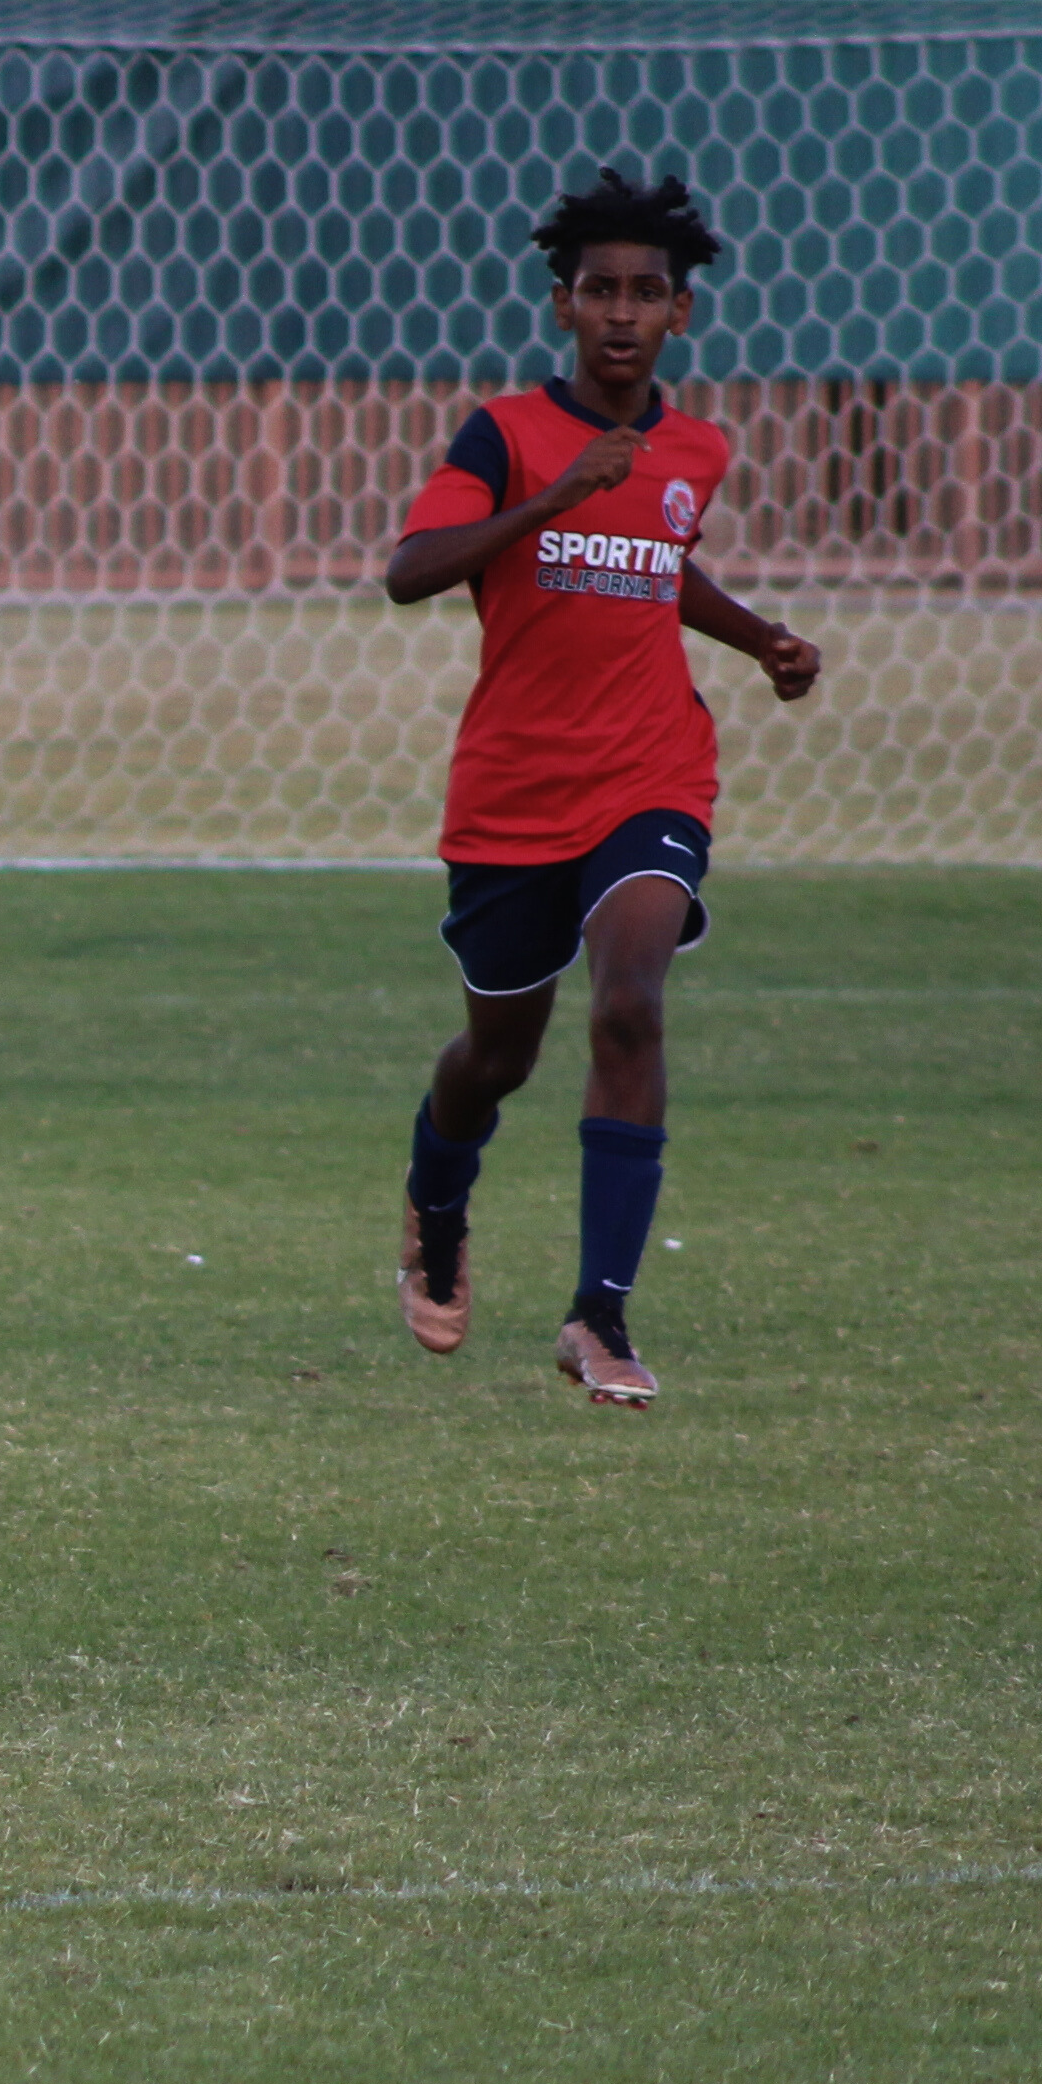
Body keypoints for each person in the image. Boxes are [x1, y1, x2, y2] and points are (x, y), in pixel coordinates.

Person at [375, 173, 819, 1409]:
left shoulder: (695, 448)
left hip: (650, 770)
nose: (621, 313)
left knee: (630, 1001)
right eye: (598, 292)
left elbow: (655, 567)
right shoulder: (503, 433)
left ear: (680, 313)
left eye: (646, 294)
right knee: (495, 1057)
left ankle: (598, 1316)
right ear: (562, 305)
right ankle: (440, 1200)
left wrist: (762, 638)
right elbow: (410, 571)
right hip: (514, 794)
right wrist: (554, 498)